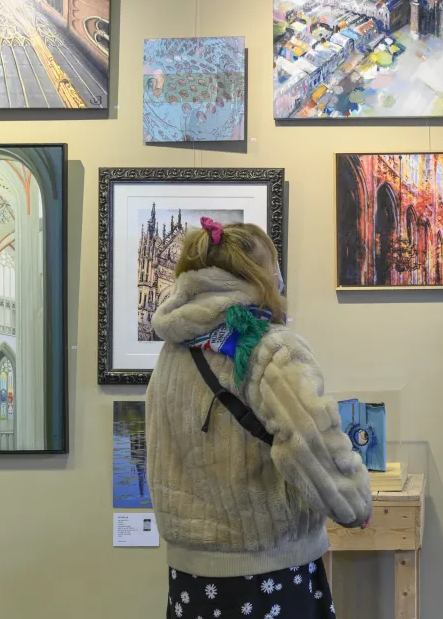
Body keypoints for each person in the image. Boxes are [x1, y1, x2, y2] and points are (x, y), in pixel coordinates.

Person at [146, 218, 372, 619]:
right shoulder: (266, 347)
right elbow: (312, 439)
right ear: (263, 272)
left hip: (190, 583)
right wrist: (354, 504)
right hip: (267, 577)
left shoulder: (172, 352)